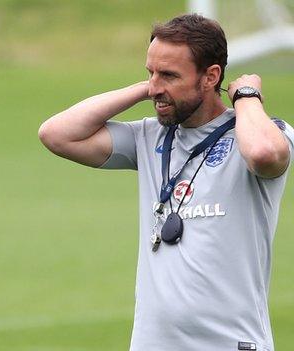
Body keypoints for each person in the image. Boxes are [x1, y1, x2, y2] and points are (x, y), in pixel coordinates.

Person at [38, 13, 292, 351]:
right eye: (150, 72)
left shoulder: (260, 132)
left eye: (170, 75)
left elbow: (262, 153)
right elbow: (56, 134)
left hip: (231, 344)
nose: (156, 86)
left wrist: (246, 97)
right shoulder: (148, 136)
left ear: (210, 76)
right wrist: (150, 87)